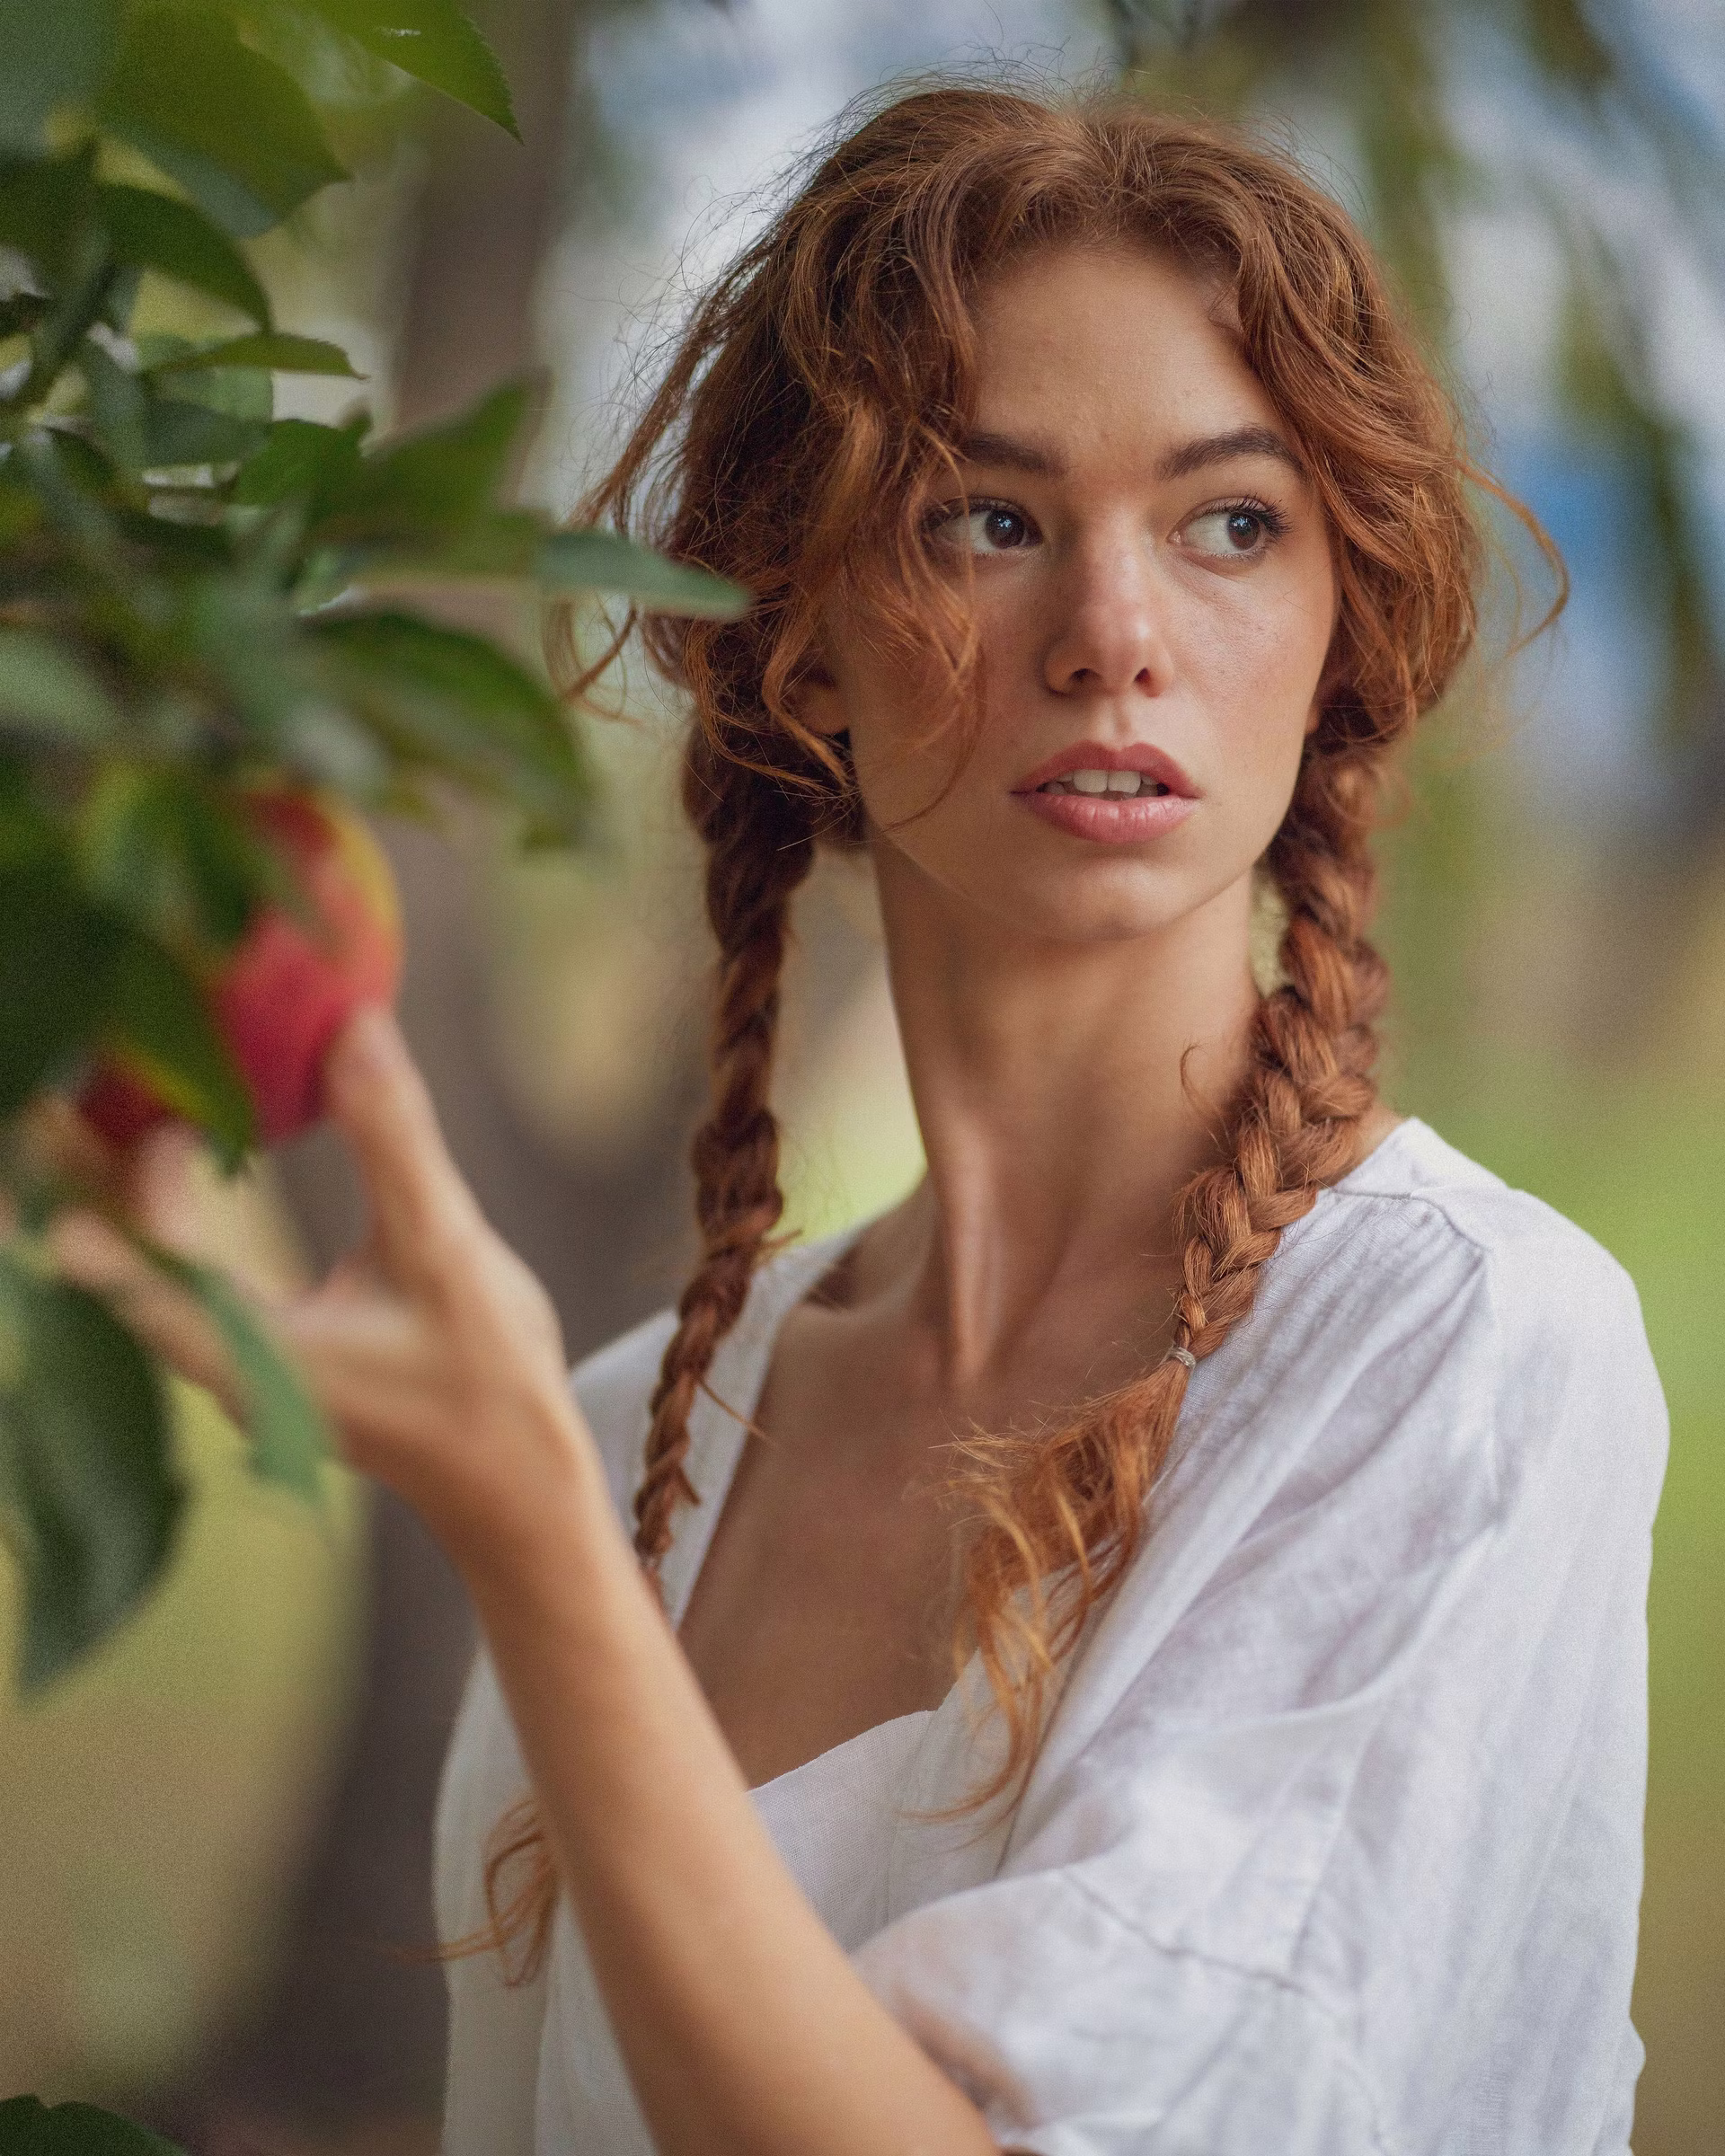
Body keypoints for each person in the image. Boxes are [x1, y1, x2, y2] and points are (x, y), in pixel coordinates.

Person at [77, 85, 1667, 2156]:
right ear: (800, 639)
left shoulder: (1463, 1356)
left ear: (1339, 622)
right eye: (987, 520)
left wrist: (527, 1541)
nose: (1115, 635)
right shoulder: (637, 1433)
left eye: (1231, 523)